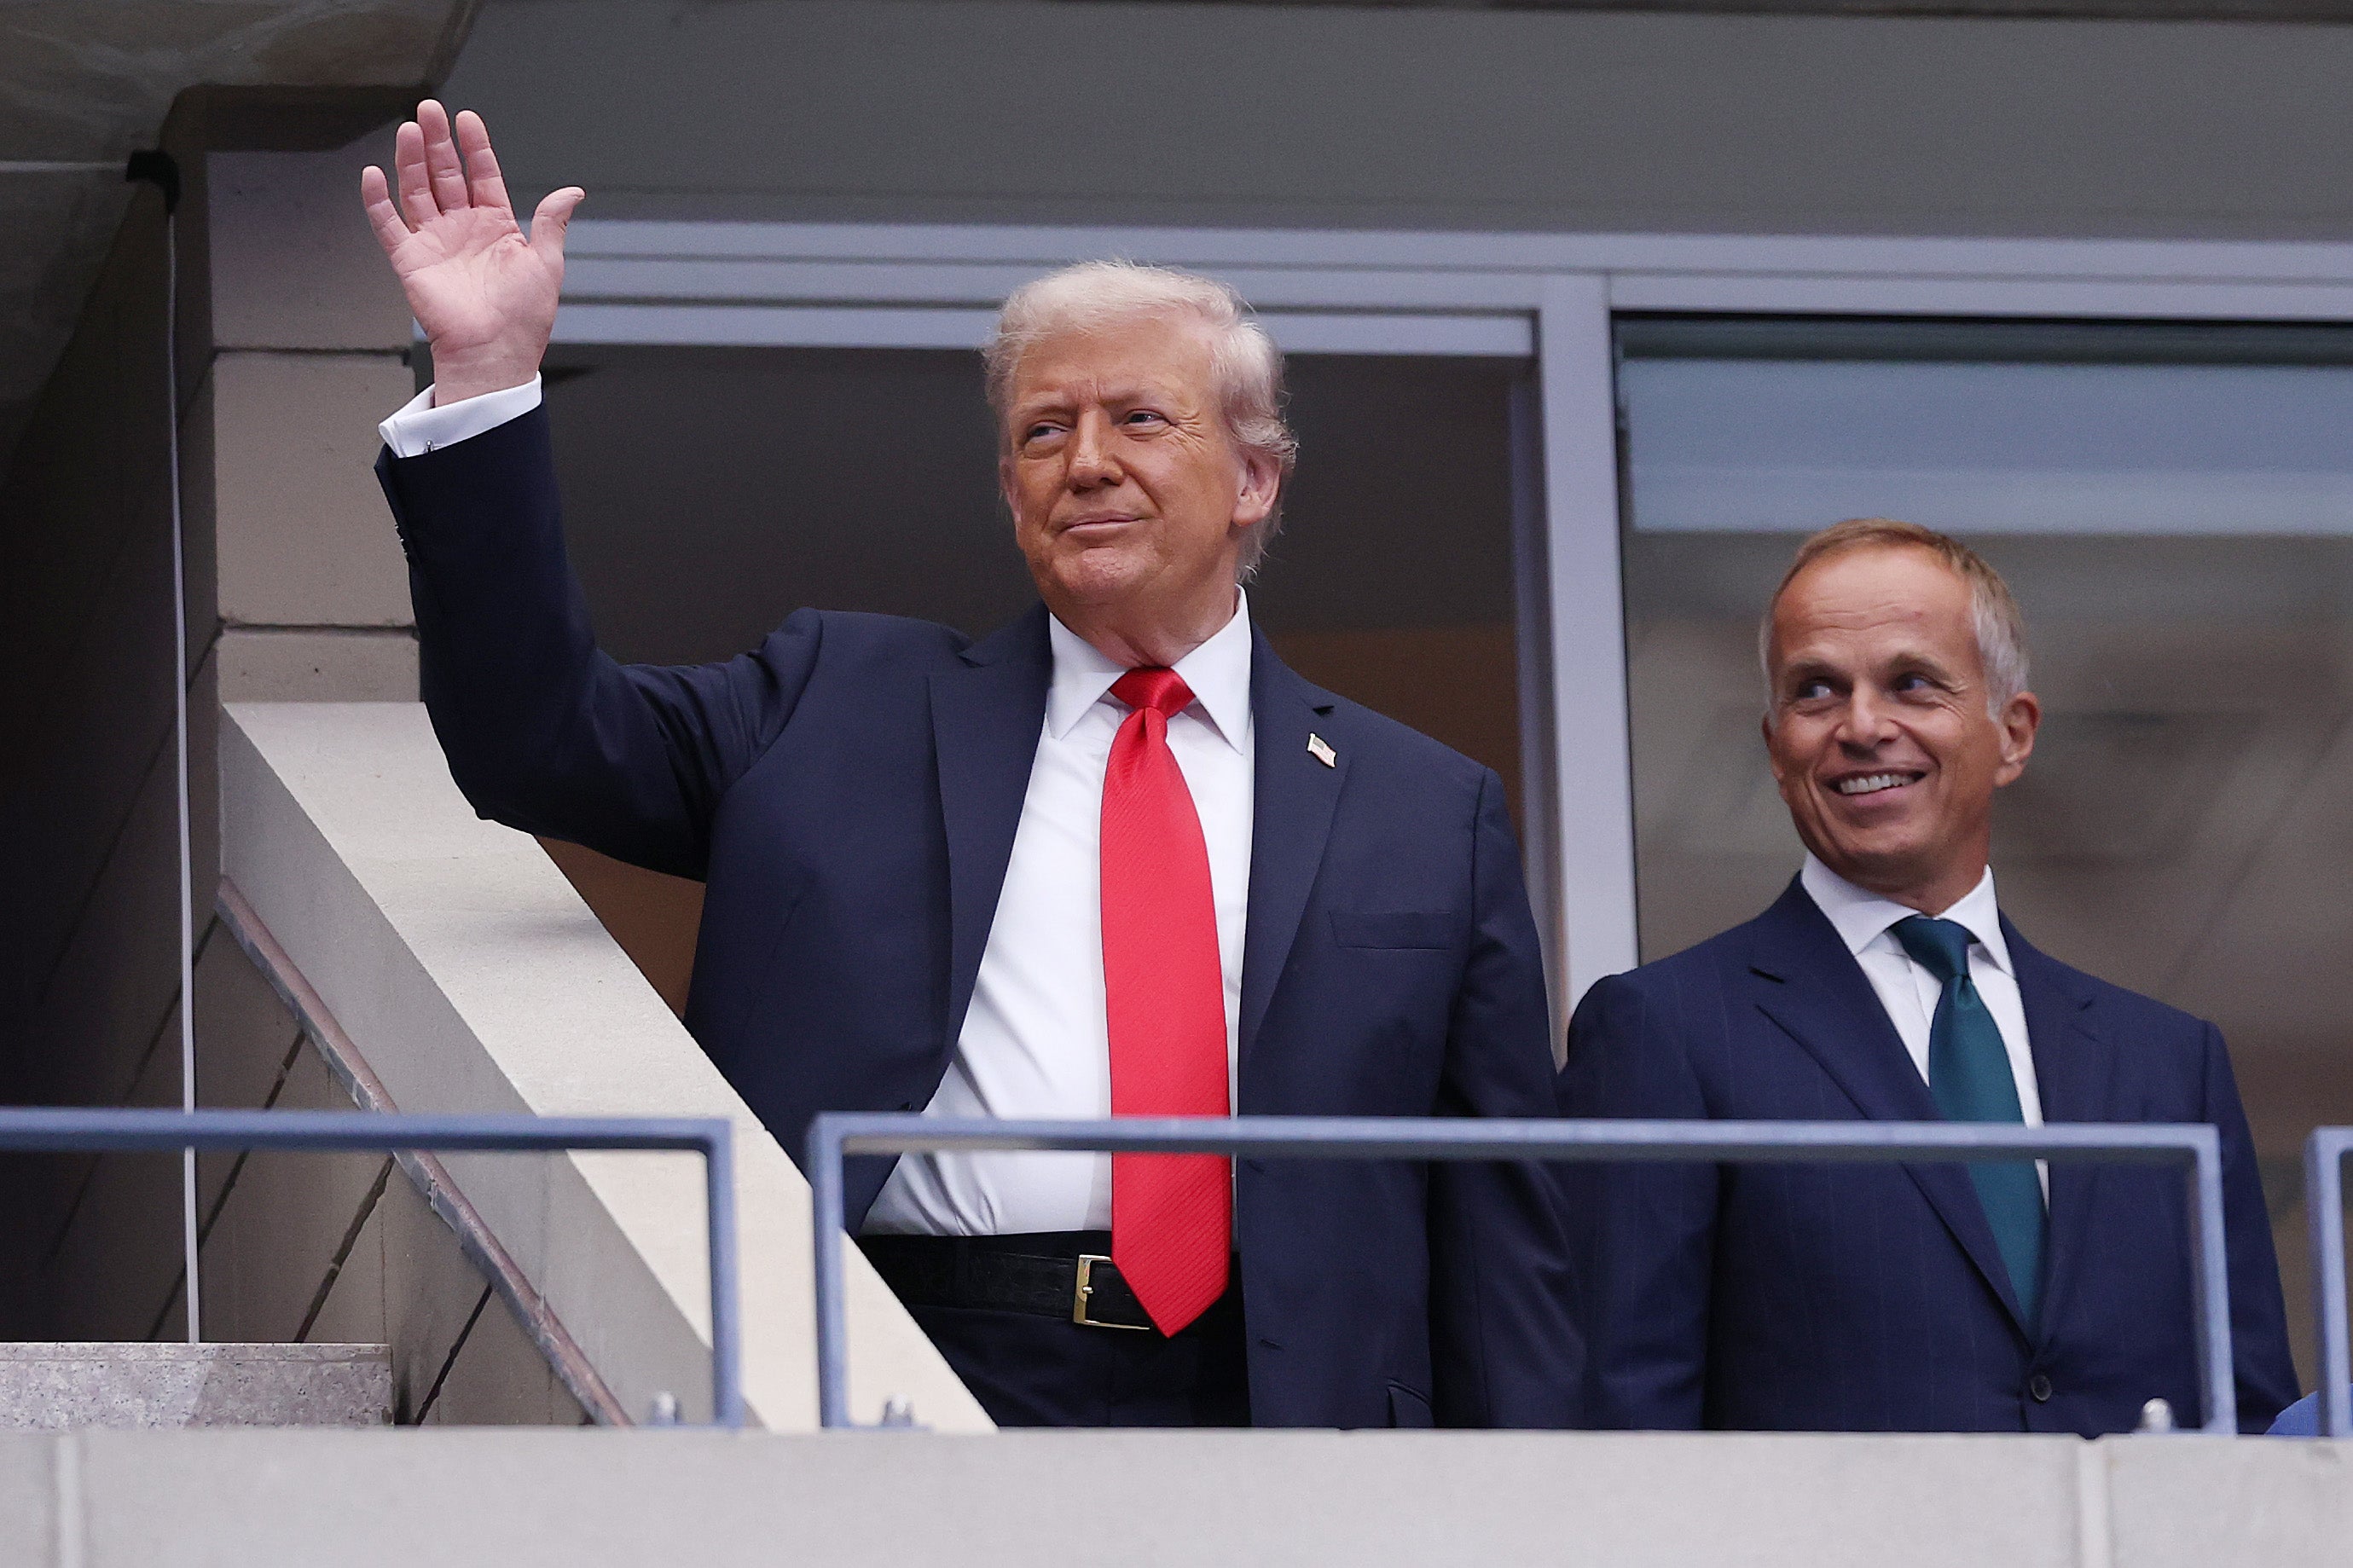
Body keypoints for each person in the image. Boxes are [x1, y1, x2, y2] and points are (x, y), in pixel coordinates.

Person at [361, 101, 1574, 1429]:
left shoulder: (1425, 808)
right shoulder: (836, 700)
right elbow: (538, 742)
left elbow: (1501, 1212)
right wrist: (484, 382)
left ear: (1253, 479)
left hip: (1292, 1403)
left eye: (1140, 419)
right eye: (1043, 431)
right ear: (1008, 490)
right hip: (910, 1370)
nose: (1086, 461)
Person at [1556, 518, 2296, 1434]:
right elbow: (1621, 1427)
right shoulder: (1660, 1031)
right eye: (1815, 691)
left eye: (1910, 683)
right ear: (1774, 746)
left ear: (2012, 733)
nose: (1862, 726)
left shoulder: (2166, 1063)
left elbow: (2252, 1421)